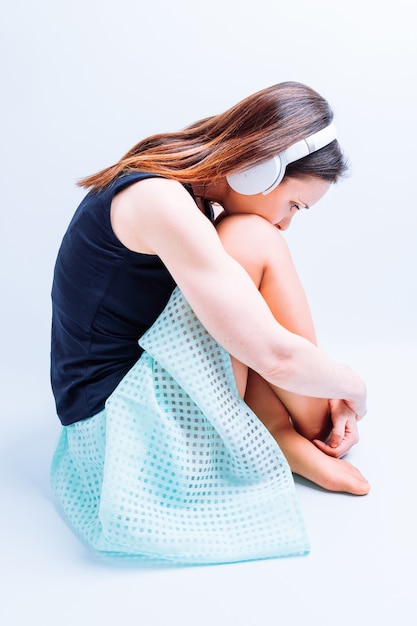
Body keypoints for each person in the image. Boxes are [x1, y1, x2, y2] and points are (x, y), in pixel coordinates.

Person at [50, 81, 369, 564]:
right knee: (252, 238)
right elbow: (275, 356)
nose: (286, 222)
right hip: (120, 430)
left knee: (238, 292)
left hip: (112, 402)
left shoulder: (167, 178)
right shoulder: (161, 201)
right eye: (294, 205)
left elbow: (248, 330)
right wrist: (354, 390)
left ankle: (280, 431)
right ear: (262, 168)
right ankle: (310, 425)